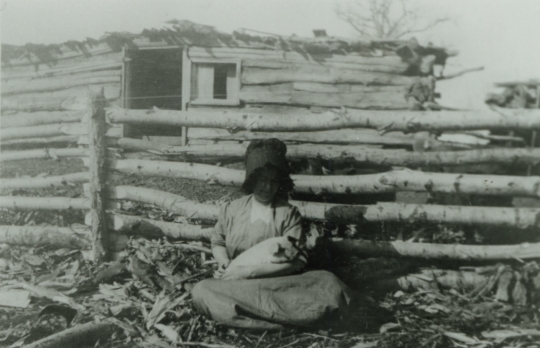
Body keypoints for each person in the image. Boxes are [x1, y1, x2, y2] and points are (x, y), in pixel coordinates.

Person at [192, 138, 351, 330]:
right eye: (262, 180)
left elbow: (297, 262)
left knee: (328, 283)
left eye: (274, 181)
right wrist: (225, 264)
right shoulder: (231, 210)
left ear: (280, 183)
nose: (268, 188)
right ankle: (283, 320)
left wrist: (250, 272)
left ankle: (252, 318)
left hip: (277, 284)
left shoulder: (288, 213)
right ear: (252, 179)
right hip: (238, 286)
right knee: (202, 290)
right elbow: (218, 242)